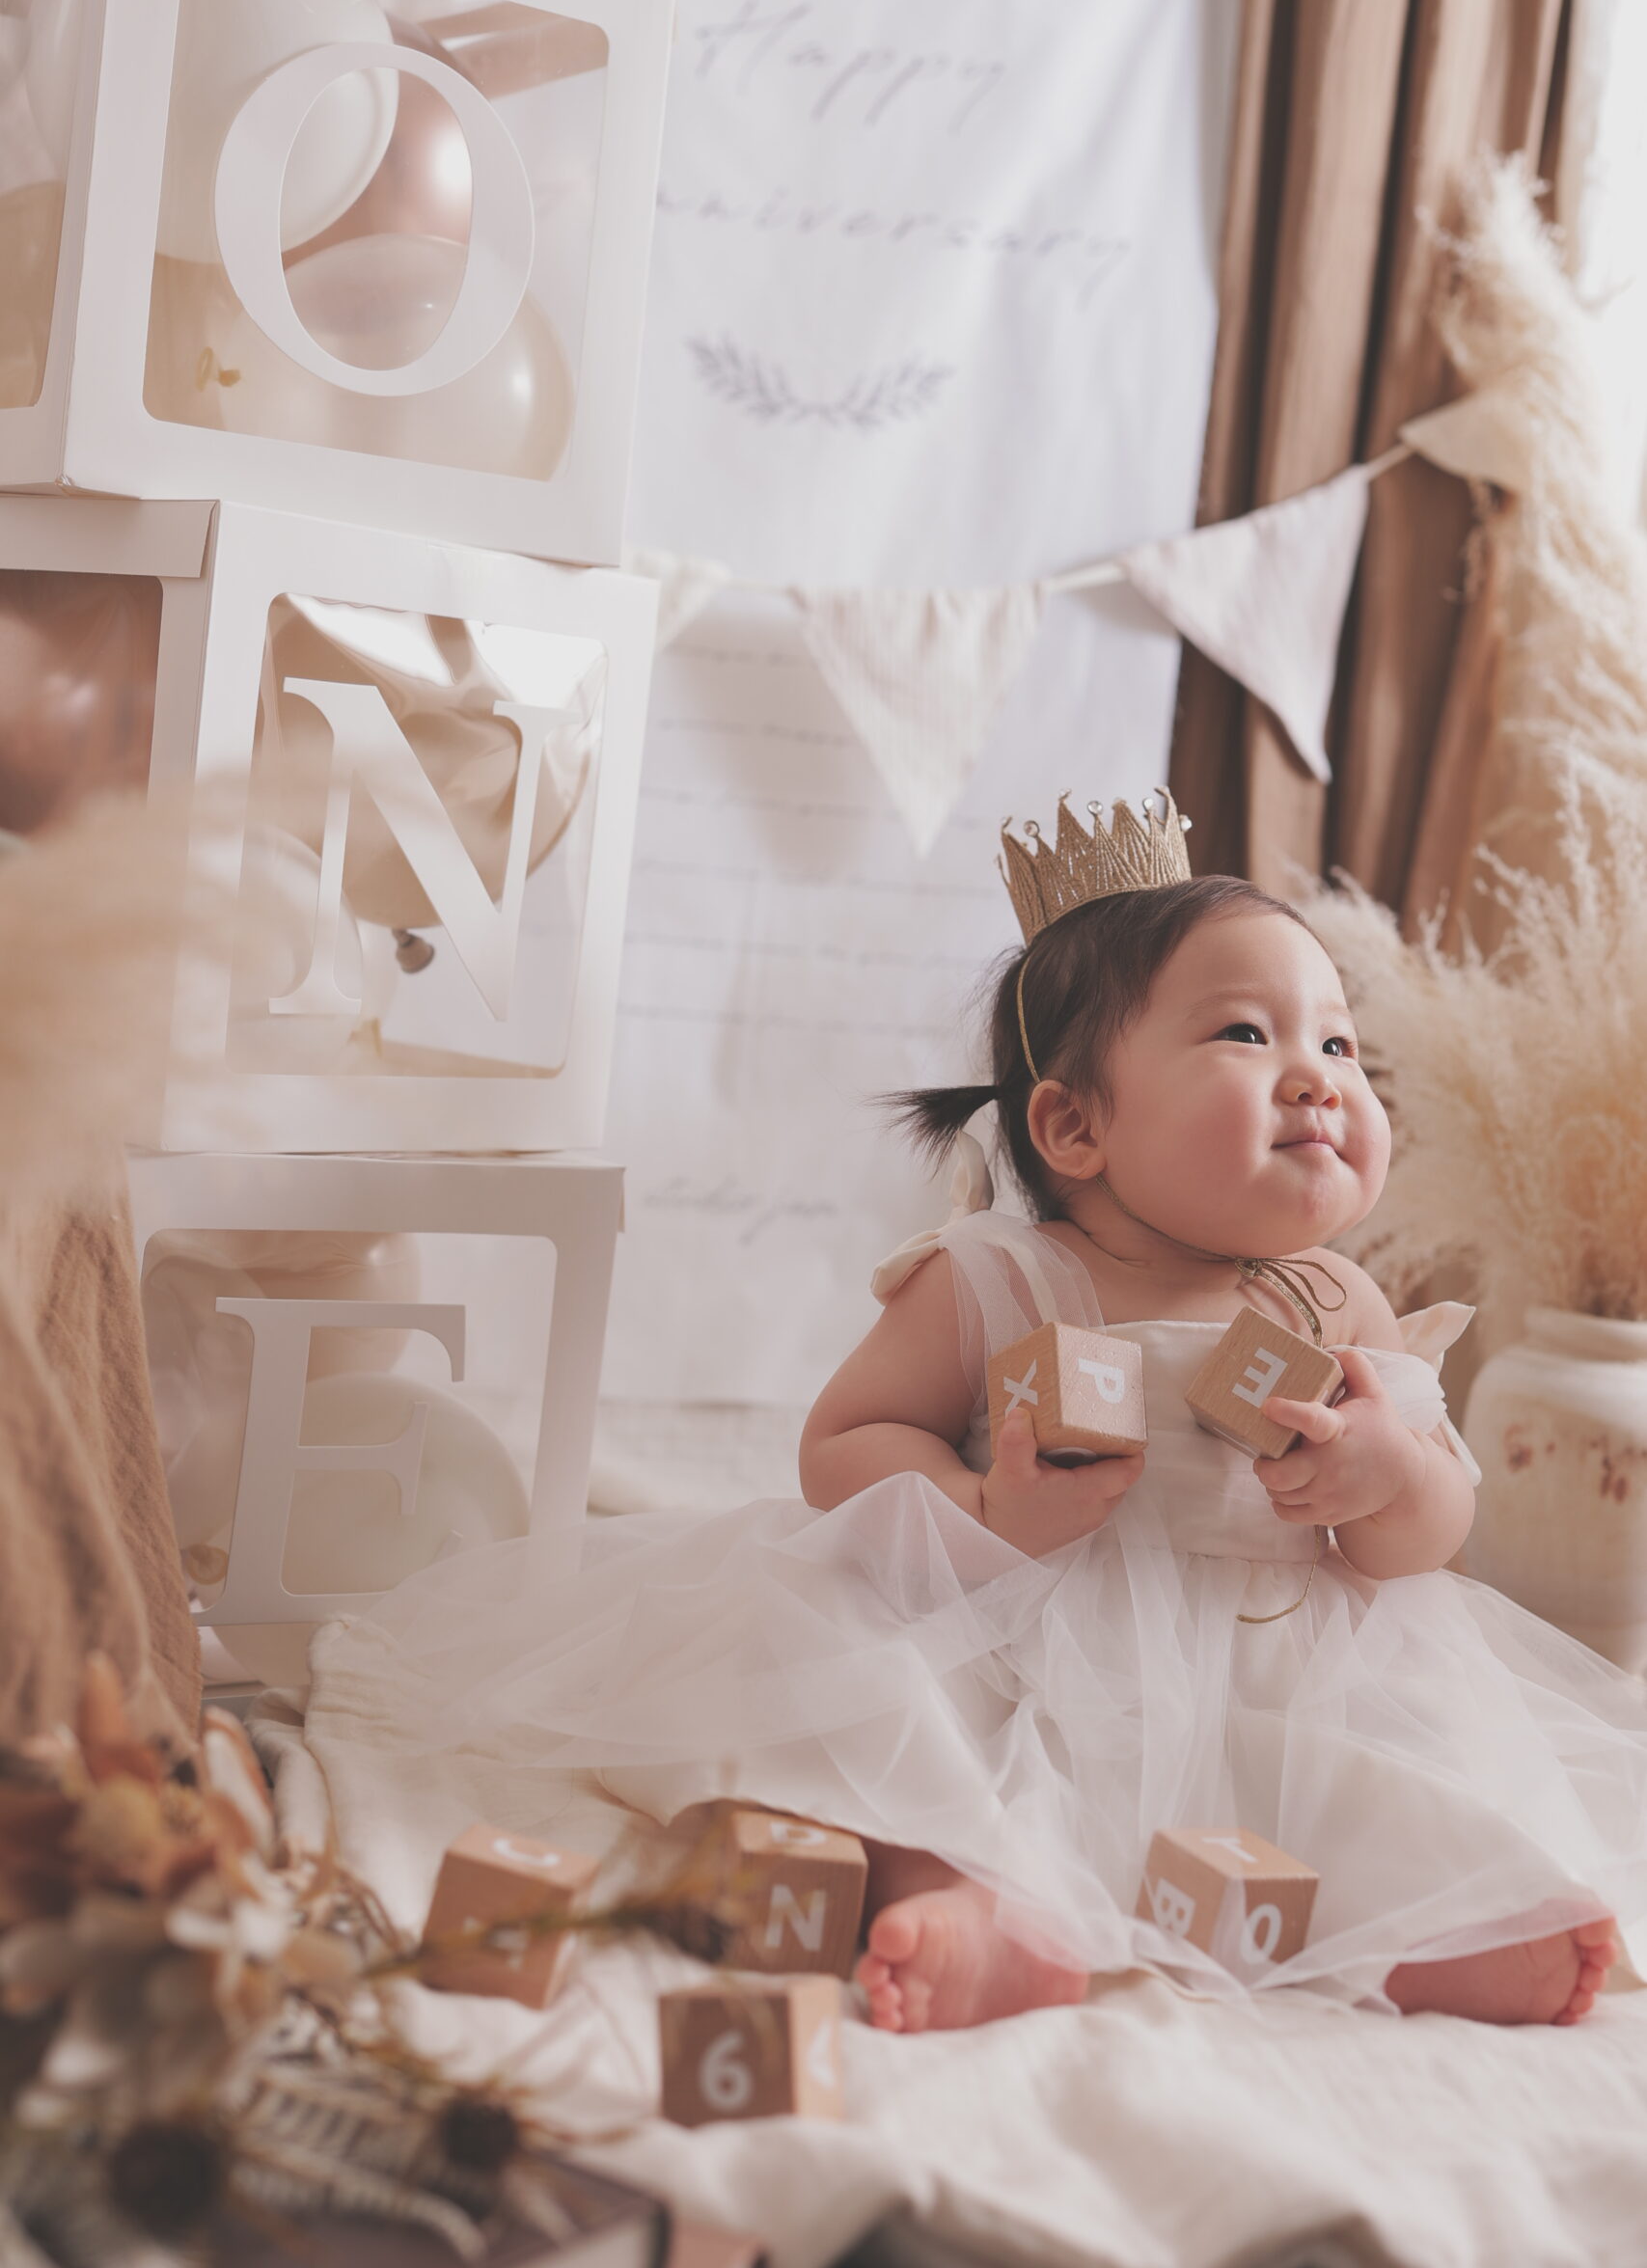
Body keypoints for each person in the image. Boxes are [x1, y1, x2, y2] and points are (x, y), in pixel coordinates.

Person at [321, 792, 1647, 2033]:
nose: (1317, 1078)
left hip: (1275, 1652)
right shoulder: (998, 1278)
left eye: (1338, 1043)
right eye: (1248, 1035)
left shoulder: (1337, 1299)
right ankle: (968, 1900)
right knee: (881, 1713)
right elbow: (843, 1445)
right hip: (1018, 1633)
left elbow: (1433, 1533)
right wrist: (983, 1509)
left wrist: (1387, 1477)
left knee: (1381, 1766)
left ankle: (1426, 1923)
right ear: (1073, 1129)